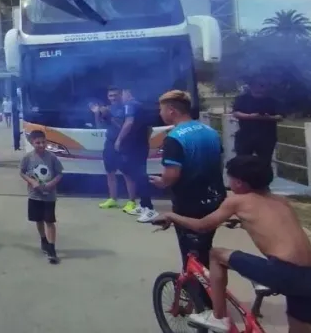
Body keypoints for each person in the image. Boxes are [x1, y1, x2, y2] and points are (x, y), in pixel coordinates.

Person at [161, 156, 311, 333]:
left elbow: (202, 226)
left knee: (216, 254)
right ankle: (265, 282)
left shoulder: (237, 201)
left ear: (239, 183)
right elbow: (273, 226)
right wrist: (241, 222)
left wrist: (171, 216)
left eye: (229, 178)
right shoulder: (281, 201)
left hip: (283, 271)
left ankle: (218, 317)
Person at [149, 90, 226, 270]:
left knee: (191, 255)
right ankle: (208, 279)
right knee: (205, 246)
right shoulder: (210, 131)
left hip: (189, 204)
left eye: (161, 109)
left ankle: (196, 286)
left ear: (171, 110)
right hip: (215, 199)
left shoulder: (174, 138)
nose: (160, 113)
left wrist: (161, 182)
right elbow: (220, 162)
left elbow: (172, 175)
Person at [19, 130, 63, 264]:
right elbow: (22, 172)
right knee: (39, 220)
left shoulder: (52, 157)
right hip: (35, 195)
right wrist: (32, 182)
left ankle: (52, 248)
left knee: (49, 221)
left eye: (43, 142)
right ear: (32, 143)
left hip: (49, 196)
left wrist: (51, 184)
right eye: (38, 143)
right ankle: (44, 239)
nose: (41, 145)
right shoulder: (28, 158)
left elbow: (59, 173)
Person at [92, 86, 138, 212]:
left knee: (127, 173)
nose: (112, 98)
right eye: (110, 96)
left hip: (124, 143)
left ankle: (131, 201)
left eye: (115, 95)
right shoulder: (108, 108)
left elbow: (124, 126)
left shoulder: (126, 108)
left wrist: (110, 117)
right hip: (109, 143)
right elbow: (99, 126)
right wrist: (97, 114)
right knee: (110, 172)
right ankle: (112, 199)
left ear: (120, 95)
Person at [116, 89, 157, 222]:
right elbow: (150, 128)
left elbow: (129, 122)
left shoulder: (130, 105)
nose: (120, 97)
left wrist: (119, 140)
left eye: (121, 94)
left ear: (128, 93)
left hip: (134, 146)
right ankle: (143, 205)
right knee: (137, 174)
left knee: (140, 176)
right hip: (141, 145)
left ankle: (149, 209)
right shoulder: (141, 106)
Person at [232, 77, 283, 169]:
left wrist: (268, 117)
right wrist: (250, 116)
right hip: (245, 136)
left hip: (267, 138)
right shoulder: (242, 99)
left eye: (263, 85)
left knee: (265, 164)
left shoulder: (273, 100)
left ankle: (264, 178)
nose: (260, 88)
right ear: (251, 86)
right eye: (258, 85)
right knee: (242, 163)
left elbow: (280, 117)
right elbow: (236, 113)